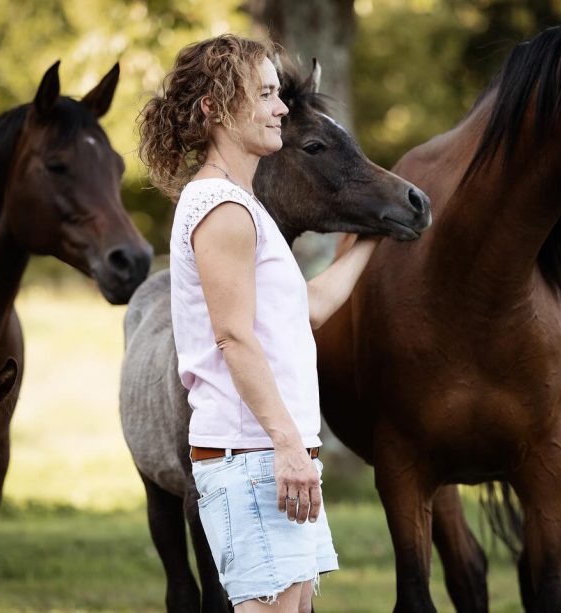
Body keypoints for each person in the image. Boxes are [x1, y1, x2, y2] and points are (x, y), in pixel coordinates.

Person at [138, 35, 381, 611]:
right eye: (267, 95)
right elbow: (234, 338)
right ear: (215, 110)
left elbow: (308, 307)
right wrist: (288, 446)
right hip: (255, 460)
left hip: (272, 458)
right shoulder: (222, 209)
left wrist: (371, 235)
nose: (281, 108)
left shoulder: (241, 205)